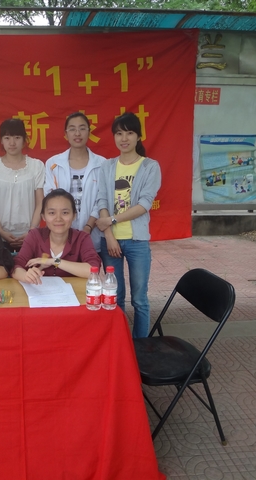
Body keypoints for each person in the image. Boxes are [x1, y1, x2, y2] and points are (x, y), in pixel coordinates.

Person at [95, 112, 161, 338]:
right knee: (116, 296)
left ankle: (141, 346)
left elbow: (144, 204)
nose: (124, 138)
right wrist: (109, 235)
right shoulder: (107, 166)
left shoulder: (149, 166)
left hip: (137, 241)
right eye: (119, 133)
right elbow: (102, 201)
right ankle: (121, 343)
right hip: (110, 241)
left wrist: (112, 220)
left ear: (139, 136)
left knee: (140, 299)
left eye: (129, 133)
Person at [44, 112, 106, 252]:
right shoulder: (53, 163)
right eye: (72, 129)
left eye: (82, 128)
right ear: (66, 134)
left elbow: (102, 199)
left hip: (93, 234)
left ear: (89, 132)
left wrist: (88, 227)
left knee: (92, 264)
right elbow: (50, 198)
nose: (77, 133)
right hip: (61, 234)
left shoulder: (102, 164)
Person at [12, 189, 101, 284]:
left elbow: (93, 270)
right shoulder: (35, 236)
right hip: (38, 291)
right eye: (52, 213)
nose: (58, 219)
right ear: (43, 216)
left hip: (74, 292)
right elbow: (16, 266)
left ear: (74, 215)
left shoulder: (82, 238)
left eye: (65, 213)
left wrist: (55, 261)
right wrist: (25, 276)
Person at [0, 118, 45, 252]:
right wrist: (0, 231)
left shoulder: (37, 166)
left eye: (17, 137)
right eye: (7, 138)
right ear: (1, 140)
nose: (12, 143)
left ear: (24, 140)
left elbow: (40, 202)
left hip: (30, 236)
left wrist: (32, 231)